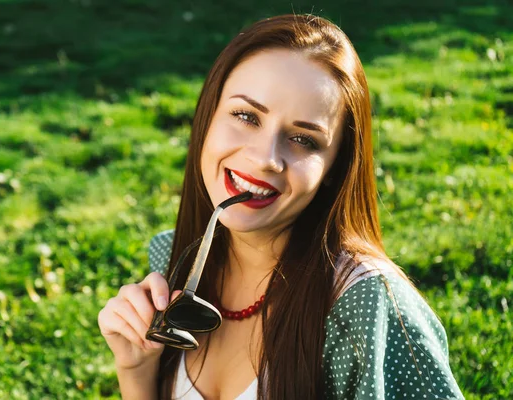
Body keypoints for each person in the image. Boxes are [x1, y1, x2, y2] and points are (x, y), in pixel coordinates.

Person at [98, 14, 465, 399]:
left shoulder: (366, 307)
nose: (264, 159)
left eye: (303, 139)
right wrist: (136, 370)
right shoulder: (172, 261)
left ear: (334, 168)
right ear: (208, 115)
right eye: (245, 116)